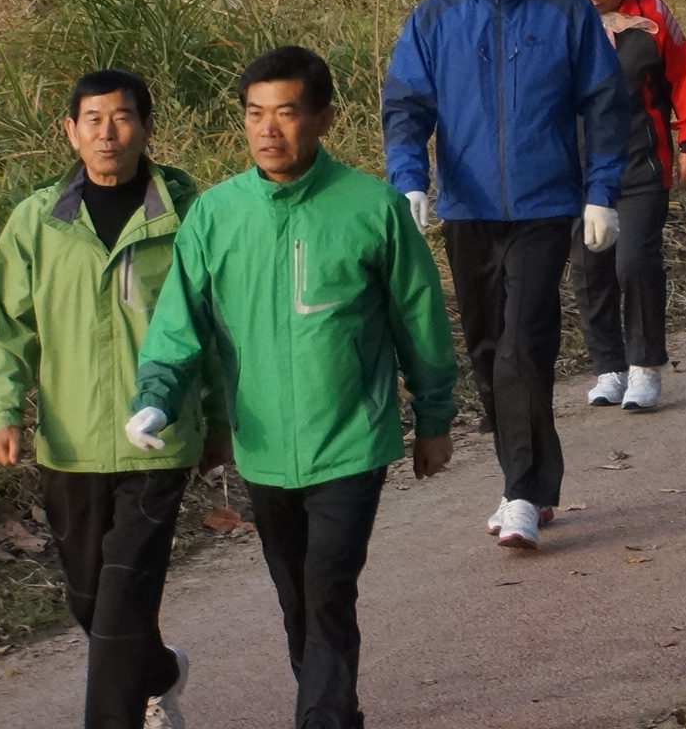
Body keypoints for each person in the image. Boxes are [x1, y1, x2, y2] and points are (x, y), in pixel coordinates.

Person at [132, 47, 457, 729]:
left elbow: (419, 321)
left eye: (285, 113)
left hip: (352, 438)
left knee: (328, 587)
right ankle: (332, 705)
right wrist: (156, 395)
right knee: (296, 596)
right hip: (265, 446)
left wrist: (433, 418)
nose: (268, 130)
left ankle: (322, 718)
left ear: (323, 119)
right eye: (255, 114)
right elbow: (177, 324)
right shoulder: (217, 216)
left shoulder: (371, 208)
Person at [0, 69, 217, 729]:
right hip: (71, 440)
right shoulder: (38, 223)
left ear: (147, 125)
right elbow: (4, 326)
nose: (108, 133)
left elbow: (216, 325)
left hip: (158, 438)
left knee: (118, 602)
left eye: (123, 117)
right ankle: (159, 672)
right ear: (70, 131)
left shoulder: (186, 215)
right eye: (93, 119)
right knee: (88, 598)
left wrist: (219, 421)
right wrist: (3, 411)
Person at [384, 0, 627, 551]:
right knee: (490, 352)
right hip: (468, 210)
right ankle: (534, 479)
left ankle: (520, 492)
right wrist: (409, 181)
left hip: (546, 204)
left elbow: (605, 107)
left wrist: (601, 192)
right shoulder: (433, 19)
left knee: (523, 343)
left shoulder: (566, 12)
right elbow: (405, 106)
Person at [558, 0, 686, 413]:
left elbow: (683, 75)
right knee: (589, 268)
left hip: (641, 162)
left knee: (635, 262)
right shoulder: (557, 19)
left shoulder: (652, 15)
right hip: (576, 170)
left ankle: (645, 366)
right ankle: (609, 367)